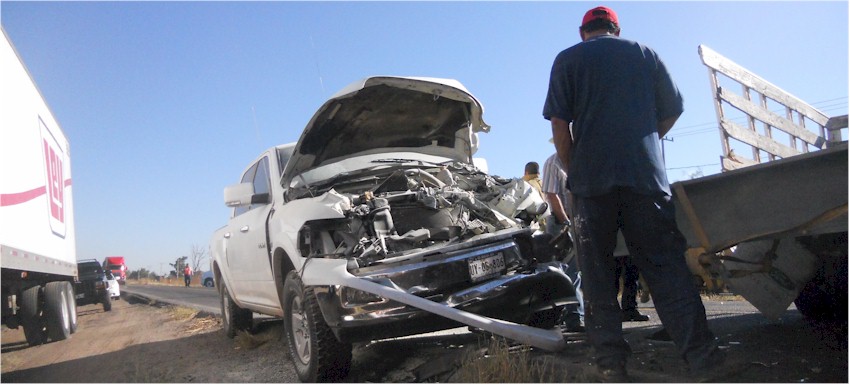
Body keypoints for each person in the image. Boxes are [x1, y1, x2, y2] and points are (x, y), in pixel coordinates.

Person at [542, 5, 724, 381]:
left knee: (597, 276)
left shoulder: (567, 59)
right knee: (666, 269)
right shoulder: (645, 54)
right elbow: (674, 109)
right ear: (617, 28)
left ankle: (611, 366)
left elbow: (560, 126)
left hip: (592, 185)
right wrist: (642, 140)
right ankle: (703, 361)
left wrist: (576, 170)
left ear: (583, 32)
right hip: (645, 180)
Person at [541, 152, 583, 332]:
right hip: (562, 223)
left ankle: (576, 315)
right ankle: (573, 318)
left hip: (576, 219)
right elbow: (551, 194)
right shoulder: (553, 162)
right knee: (569, 271)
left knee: (576, 272)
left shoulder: (578, 158)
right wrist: (567, 223)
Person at [615, 255, 649, 322]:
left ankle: (630, 310)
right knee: (614, 280)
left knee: (631, 277)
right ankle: (612, 312)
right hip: (615, 249)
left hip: (627, 249)